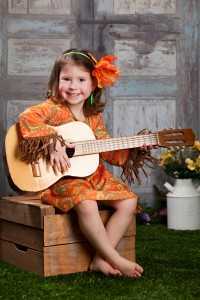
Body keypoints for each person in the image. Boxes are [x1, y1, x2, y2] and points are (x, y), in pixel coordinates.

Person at [17, 49, 153, 278]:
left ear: (93, 85)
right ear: (56, 80)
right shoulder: (51, 108)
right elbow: (25, 119)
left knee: (129, 201)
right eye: (66, 79)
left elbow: (107, 150)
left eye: (81, 80)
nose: (73, 86)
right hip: (63, 177)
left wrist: (135, 149)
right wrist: (53, 141)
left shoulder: (93, 117)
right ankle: (115, 258)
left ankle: (100, 259)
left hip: (94, 176)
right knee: (87, 202)